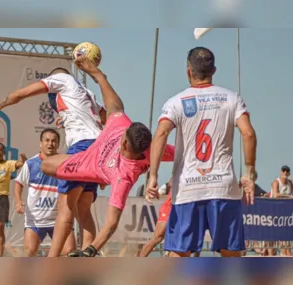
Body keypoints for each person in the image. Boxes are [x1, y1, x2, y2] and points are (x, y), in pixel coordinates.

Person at [40, 56, 175, 257]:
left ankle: (55, 262)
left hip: (89, 164)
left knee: (50, 175)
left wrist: (92, 250)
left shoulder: (124, 176)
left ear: (125, 143)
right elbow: (115, 106)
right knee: (54, 175)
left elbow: (112, 222)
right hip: (91, 148)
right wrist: (97, 75)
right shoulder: (129, 130)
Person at [0, 67, 106, 253]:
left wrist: (2, 104)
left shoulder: (61, 79)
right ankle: (88, 258)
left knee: (65, 205)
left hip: (82, 147)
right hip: (98, 147)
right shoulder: (88, 93)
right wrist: (66, 118)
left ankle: (52, 261)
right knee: (83, 208)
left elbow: (22, 94)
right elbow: (103, 117)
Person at [146, 46, 257, 258]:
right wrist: (249, 174)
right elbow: (248, 134)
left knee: (179, 255)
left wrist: (153, 175)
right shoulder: (231, 98)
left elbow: (160, 135)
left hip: (188, 188)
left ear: (188, 71)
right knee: (231, 255)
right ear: (214, 70)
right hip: (223, 187)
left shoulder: (175, 102)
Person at [14, 128, 77, 257]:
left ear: (58, 144)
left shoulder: (64, 163)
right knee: (29, 253)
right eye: (47, 140)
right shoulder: (31, 164)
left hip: (59, 219)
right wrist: (18, 202)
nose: (50, 144)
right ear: (40, 143)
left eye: (54, 141)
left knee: (70, 252)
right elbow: (18, 183)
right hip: (35, 221)